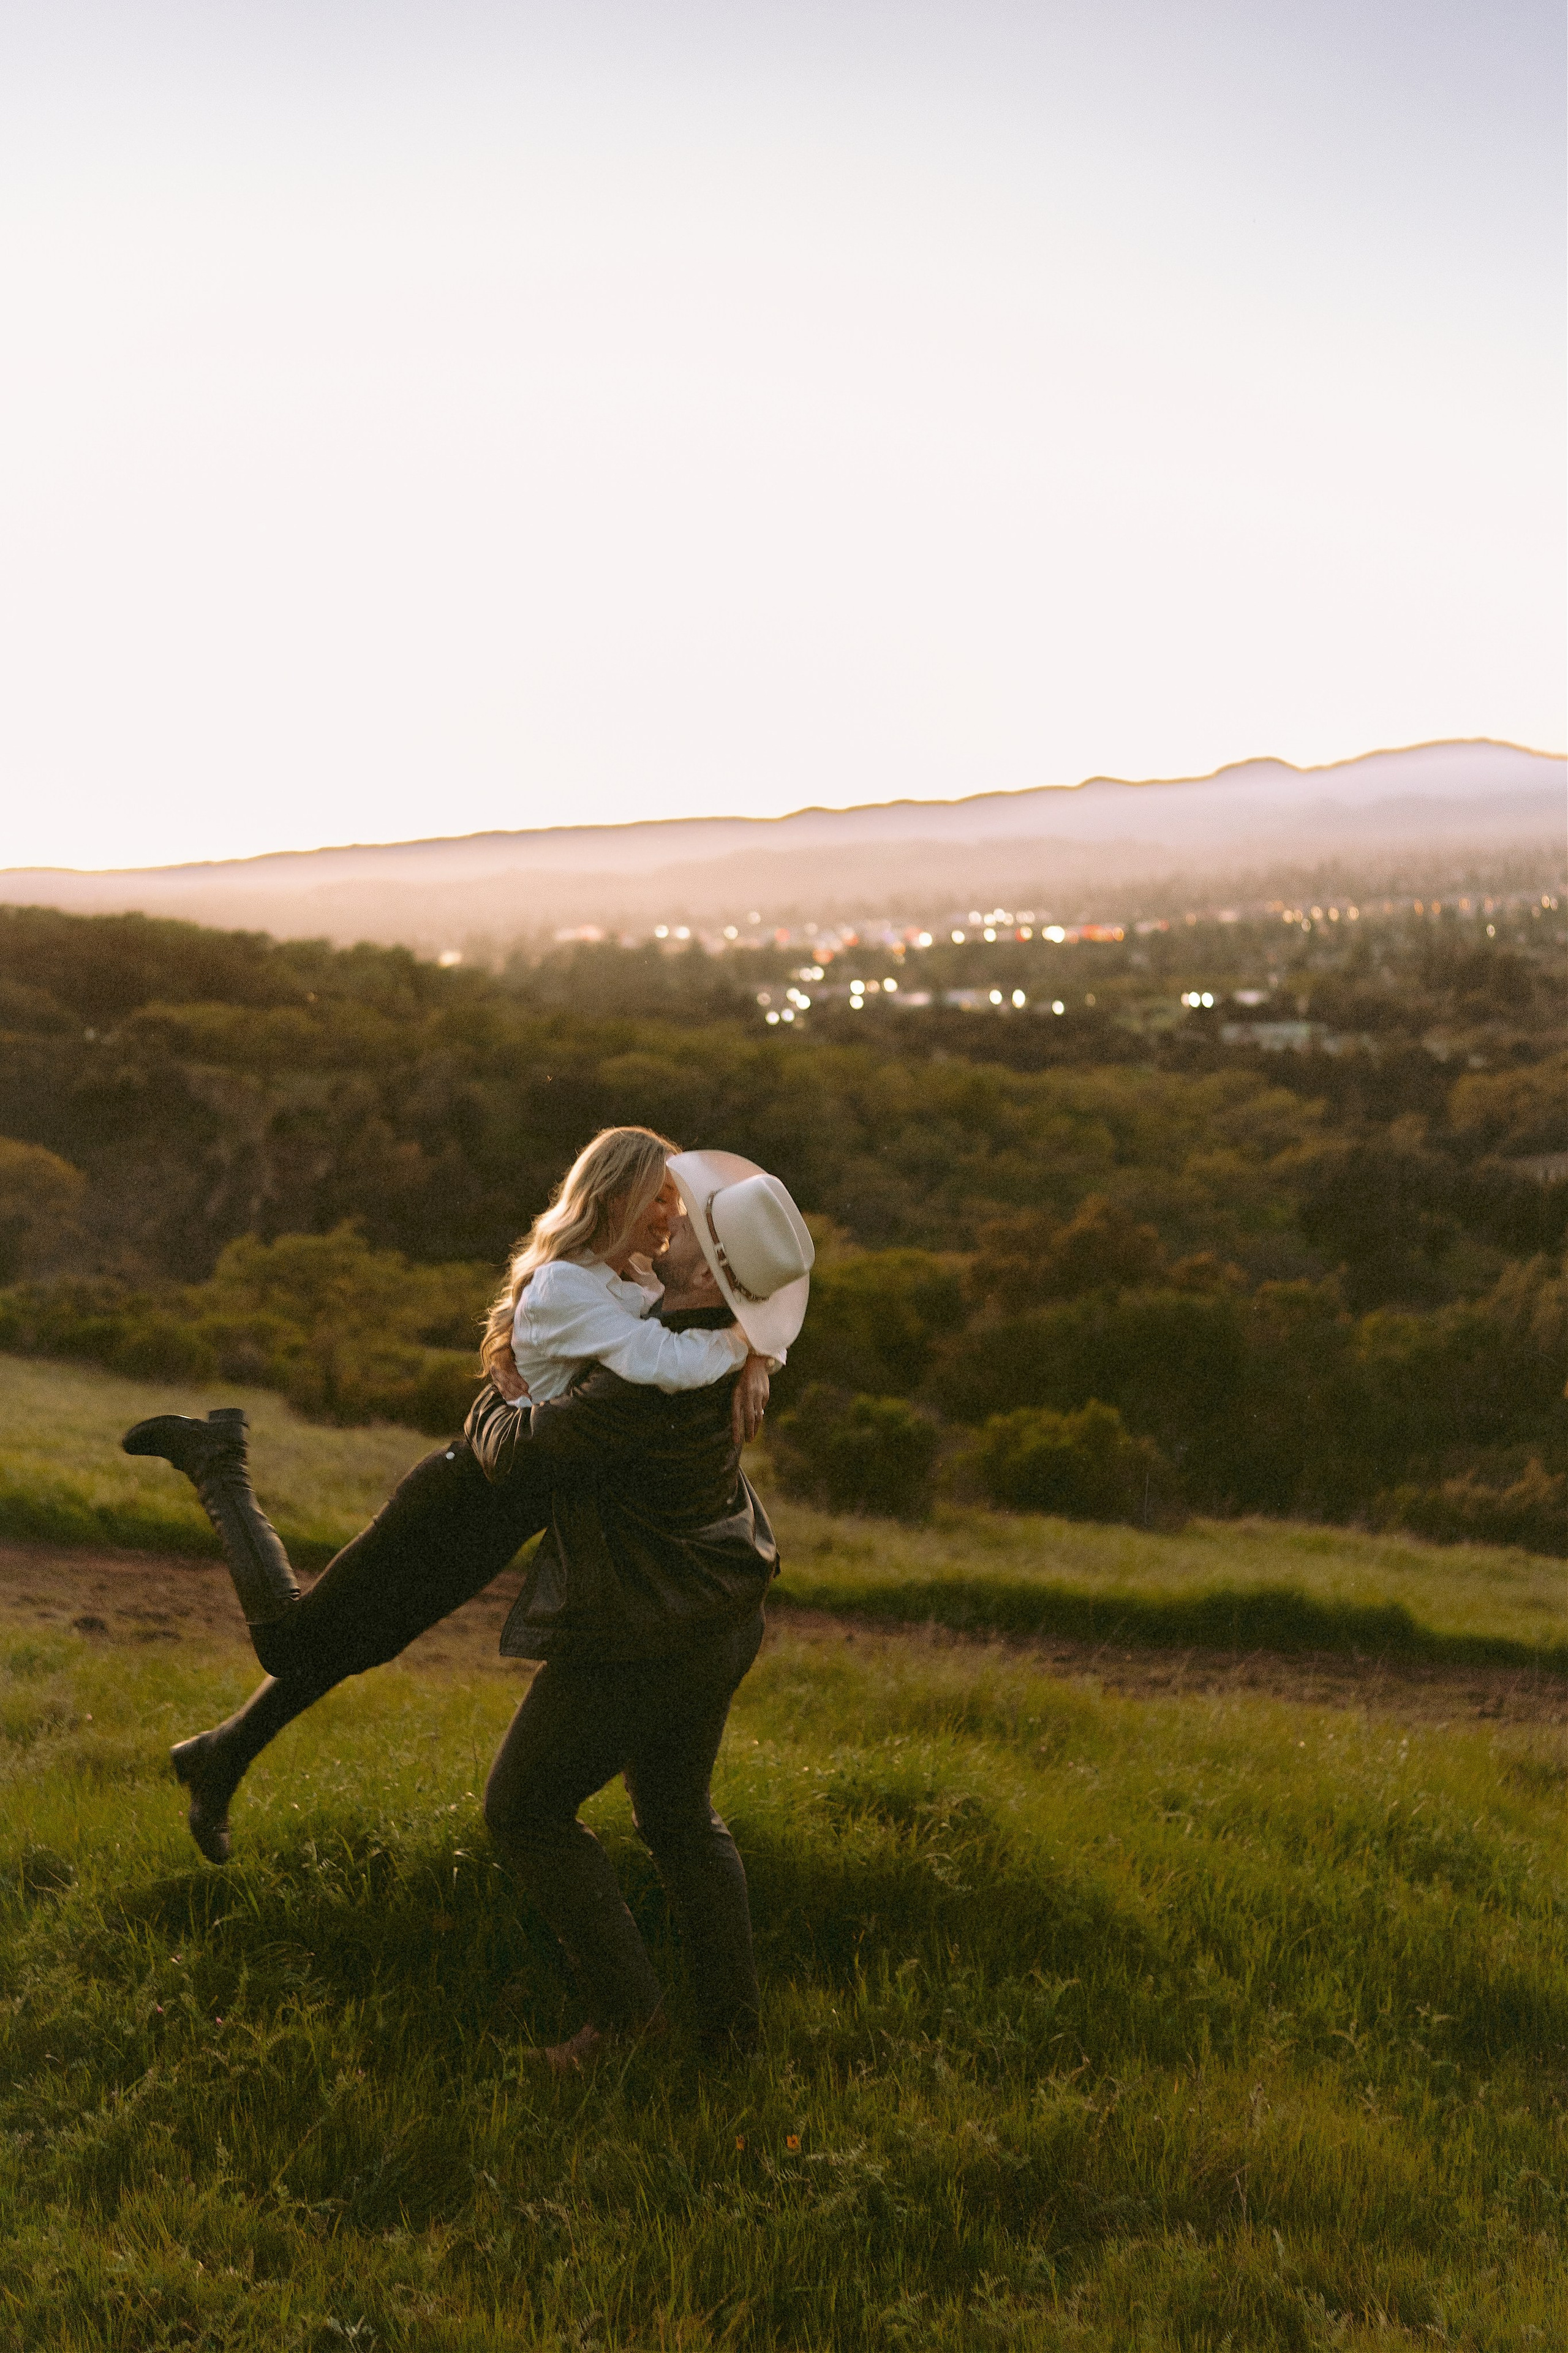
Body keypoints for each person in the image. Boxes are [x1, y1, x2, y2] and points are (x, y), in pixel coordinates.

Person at [121, 1127, 778, 1863]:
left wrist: (762, 1349)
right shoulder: (568, 1284)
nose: (671, 1217)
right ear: (612, 1194)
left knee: (361, 1644)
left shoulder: (635, 1278)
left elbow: (749, 1287)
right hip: (464, 1491)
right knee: (295, 1641)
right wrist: (738, 1348)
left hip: (512, 1509)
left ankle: (220, 1758)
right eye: (658, 1199)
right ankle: (218, 1464)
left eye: (675, 1202)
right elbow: (659, 1355)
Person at [468, 1149, 813, 2071]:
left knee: (525, 1809)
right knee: (678, 1816)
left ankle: (625, 2023)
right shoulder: (694, 1342)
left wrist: (494, 1402)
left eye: (689, 1221)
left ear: (707, 1270)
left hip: (643, 1628)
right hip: (719, 1608)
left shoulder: (637, 1384)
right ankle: (733, 2041)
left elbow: (525, 1455)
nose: (671, 1219)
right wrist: (761, 1350)